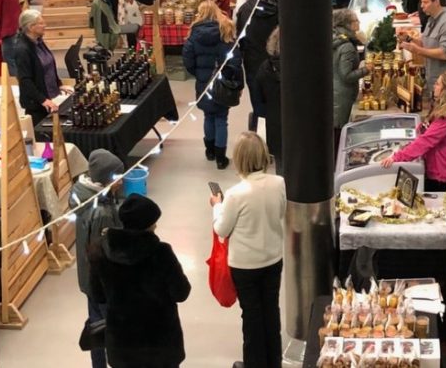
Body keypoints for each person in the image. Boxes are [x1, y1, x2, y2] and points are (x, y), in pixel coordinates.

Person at [211, 131, 286, 368]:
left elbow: (222, 229)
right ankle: (274, 361)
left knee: (251, 317)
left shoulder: (234, 194)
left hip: (244, 265)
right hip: (273, 258)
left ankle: (254, 363)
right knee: (271, 312)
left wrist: (216, 207)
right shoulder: (279, 183)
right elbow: (281, 213)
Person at [89, 194, 191, 368]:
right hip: (160, 343)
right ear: (148, 224)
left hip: (122, 344)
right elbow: (181, 293)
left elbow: (98, 296)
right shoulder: (161, 253)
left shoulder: (101, 251)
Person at [71, 149, 125, 368]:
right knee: (108, 327)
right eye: (117, 177)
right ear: (104, 180)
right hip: (103, 283)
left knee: (96, 323)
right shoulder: (101, 214)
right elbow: (109, 251)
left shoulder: (84, 194)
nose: (121, 180)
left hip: (89, 278)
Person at [381, 69, 446, 191]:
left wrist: (396, 158)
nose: (434, 86)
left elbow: (425, 142)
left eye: (438, 84)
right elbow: (427, 129)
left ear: (445, 90)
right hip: (442, 167)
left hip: (441, 174)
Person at [183, 0, 242, 170]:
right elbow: (236, 59)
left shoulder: (194, 34)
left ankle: (209, 151)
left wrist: (200, 75)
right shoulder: (226, 30)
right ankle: (221, 158)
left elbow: (188, 60)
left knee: (208, 116)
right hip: (222, 84)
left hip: (204, 84)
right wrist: (232, 79)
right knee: (221, 119)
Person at [399, 0, 446, 98]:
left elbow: (444, 54)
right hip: (433, 83)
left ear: (437, 2)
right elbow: (426, 43)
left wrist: (417, 51)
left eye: (425, 2)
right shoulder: (431, 20)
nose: (422, 6)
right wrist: (409, 39)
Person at [14, 10, 73, 129]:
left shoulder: (38, 41)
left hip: (45, 99)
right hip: (35, 104)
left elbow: (48, 65)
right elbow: (25, 80)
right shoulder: (22, 49)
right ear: (31, 27)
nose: (44, 25)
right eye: (41, 23)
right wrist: (43, 100)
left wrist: (59, 84)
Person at [236, 0, 279, 132]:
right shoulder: (281, 10)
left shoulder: (246, 9)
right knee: (277, 101)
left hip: (252, 62)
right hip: (275, 64)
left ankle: (260, 138)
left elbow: (240, 39)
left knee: (258, 101)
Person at [333, 9, 372, 136]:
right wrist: (366, 70)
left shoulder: (337, 39)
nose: (359, 22)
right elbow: (346, 75)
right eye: (356, 20)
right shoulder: (347, 47)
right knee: (341, 132)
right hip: (343, 96)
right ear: (348, 24)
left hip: (336, 92)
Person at [256, 29, 282, 171]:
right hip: (299, 125)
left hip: (274, 122)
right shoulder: (299, 68)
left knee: (281, 162)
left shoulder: (265, 68)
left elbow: (259, 97)